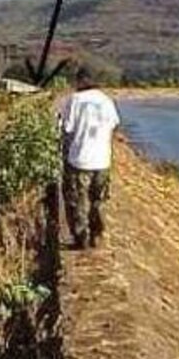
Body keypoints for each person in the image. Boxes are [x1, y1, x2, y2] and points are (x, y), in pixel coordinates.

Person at [59, 68, 120, 249]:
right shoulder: (106, 100)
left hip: (79, 159)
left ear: (80, 81)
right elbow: (114, 125)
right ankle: (97, 233)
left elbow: (67, 129)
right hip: (102, 160)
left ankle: (81, 238)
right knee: (98, 200)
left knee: (77, 199)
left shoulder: (74, 100)